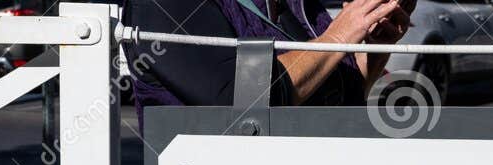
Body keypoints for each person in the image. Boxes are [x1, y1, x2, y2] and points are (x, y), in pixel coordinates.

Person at [123, 0, 416, 116]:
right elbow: (239, 97)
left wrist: (373, 46)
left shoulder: (298, 4)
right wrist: (339, 37)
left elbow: (339, 97)